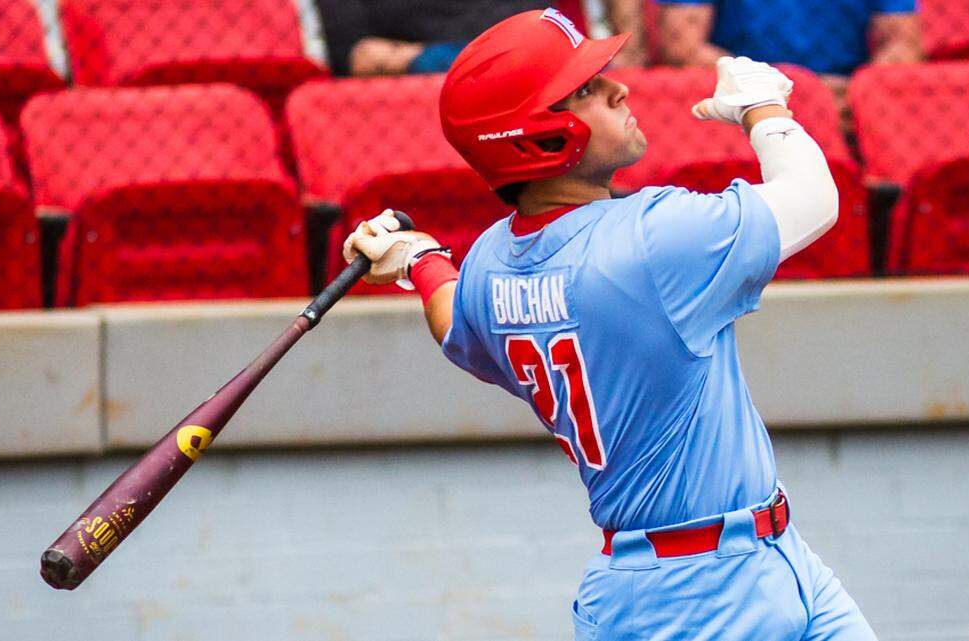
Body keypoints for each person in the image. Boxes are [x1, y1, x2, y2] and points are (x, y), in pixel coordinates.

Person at [343, 8, 874, 640]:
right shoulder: (650, 239)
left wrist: (419, 260)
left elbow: (453, 316)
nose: (619, 88)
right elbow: (814, 200)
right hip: (694, 596)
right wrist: (764, 108)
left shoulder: (489, 264)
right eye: (586, 90)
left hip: (769, 561)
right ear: (537, 136)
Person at [657, 0, 922, 130]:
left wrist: (858, 94)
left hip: (843, 105)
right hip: (741, 104)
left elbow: (905, 44)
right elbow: (683, 48)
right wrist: (784, 94)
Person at [315, 0, 647, 77]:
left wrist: (628, 47)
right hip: (421, 85)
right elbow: (356, 55)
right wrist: (460, 60)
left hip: (538, 65)